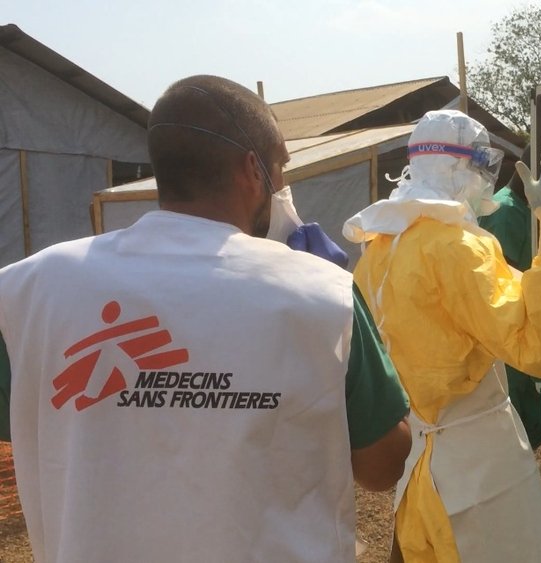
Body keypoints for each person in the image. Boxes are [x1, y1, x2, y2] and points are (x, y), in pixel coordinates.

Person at [0, 75, 411, 563]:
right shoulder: (322, 292)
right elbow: (384, 464)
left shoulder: (28, 289)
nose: (283, 186)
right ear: (252, 171)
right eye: (280, 167)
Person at [343, 109, 541, 562]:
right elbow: (539, 352)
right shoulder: (461, 247)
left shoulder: (379, 249)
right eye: (484, 161)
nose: (489, 176)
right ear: (457, 166)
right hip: (480, 465)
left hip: (421, 466)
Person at [478, 143, 541, 450]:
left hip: (525, 320)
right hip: (510, 327)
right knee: (516, 418)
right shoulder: (504, 212)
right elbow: (500, 279)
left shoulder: (527, 210)